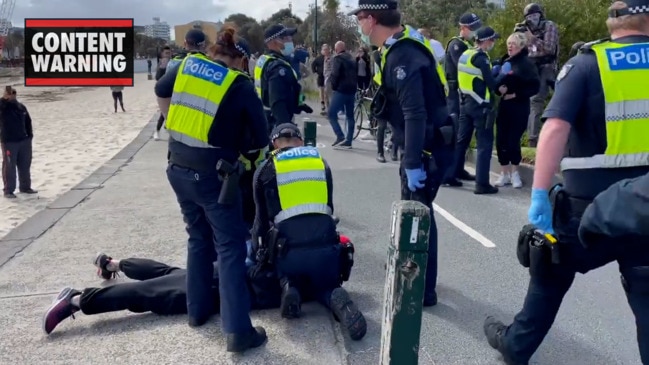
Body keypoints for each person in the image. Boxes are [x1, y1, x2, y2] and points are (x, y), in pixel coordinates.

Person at [484, 1, 649, 363]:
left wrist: (539, 194)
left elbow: (555, 128)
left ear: (612, 24)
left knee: (548, 276)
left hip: (587, 209)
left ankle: (516, 345)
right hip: (645, 210)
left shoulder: (589, 63)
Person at [154, 27, 269, 353]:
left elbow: (160, 91)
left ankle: (197, 312)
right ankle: (237, 332)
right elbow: (261, 139)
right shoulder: (240, 84)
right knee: (230, 247)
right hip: (214, 178)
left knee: (197, 237)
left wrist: (176, 130)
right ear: (242, 59)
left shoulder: (186, 65)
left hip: (177, 167)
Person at [350, 0, 454, 306]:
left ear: (372, 19)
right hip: (422, 143)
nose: (358, 23)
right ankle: (415, 270)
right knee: (419, 213)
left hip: (425, 148)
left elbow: (415, 113)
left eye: (359, 17)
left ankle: (422, 287)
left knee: (418, 216)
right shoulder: (398, 44)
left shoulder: (403, 55)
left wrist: (411, 161)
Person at [250, 123, 367, 340]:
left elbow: (260, 225)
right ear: (300, 141)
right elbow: (328, 208)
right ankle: (334, 295)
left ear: (274, 143)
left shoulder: (266, 169)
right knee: (325, 283)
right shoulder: (321, 164)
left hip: (287, 254)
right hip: (326, 250)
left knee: (278, 262)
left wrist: (257, 256)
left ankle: (289, 285)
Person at [42, 251, 282, 335]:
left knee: (170, 273)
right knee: (151, 292)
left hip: (236, 273)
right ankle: (76, 300)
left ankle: (112, 263)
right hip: (235, 284)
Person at [451, 26, 503, 195]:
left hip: (466, 103)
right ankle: (482, 184)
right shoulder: (481, 58)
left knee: (461, 141)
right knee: (484, 145)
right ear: (487, 40)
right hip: (481, 106)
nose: (493, 43)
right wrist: (502, 73)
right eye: (492, 40)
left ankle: (452, 174)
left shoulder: (466, 54)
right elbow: (492, 84)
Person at [493, 33, 540, 189]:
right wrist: (498, 89)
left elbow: (534, 86)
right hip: (504, 106)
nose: (510, 46)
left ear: (521, 46)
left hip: (519, 106)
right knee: (501, 139)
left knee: (513, 140)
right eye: (508, 43)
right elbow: (496, 81)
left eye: (513, 43)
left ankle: (515, 173)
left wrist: (516, 94)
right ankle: (504, 173)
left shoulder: (526, 64)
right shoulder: (504, 61)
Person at [442, 13, 482, 186]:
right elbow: (465, 66)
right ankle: (448, 174)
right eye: (472, 28)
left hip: (464, 94)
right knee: (455, 134)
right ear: (463, 28)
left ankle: (458, 169)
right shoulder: (456, 45)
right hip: (454, 94)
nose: (475, 32)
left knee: (463, 136)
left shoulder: (466, 44)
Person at [254, 24, 312, 136]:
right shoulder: (278, 68)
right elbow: (277, 101)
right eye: (287, 38)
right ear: (275, 42)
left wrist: (297, 105)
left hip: (265, 118)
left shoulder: (265, 60)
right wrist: (285, 129)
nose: (291, 41)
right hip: (275, 123)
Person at [519, 3, 559, 148]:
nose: (532, 20)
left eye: (535, 16)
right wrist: (520, 36)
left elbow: (549, 48)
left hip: (547, 67)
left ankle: (557, 136)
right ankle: (532, 139)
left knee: (555, 99)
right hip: (532, 68)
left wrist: (532, 38)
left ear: (540, 15)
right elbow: (521, 50)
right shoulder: (525, 29)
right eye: (529, 17)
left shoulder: (549, 26)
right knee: (534, 102)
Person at [1, 87, 36, 199]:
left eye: (14, 93)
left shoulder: (21, 107)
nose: (12, 95)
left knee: (25, 165)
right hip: (9, 142)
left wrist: (29, 135)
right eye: (10, 93)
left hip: (24, 141)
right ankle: (8, 191)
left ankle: (25, 187)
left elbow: (28, 121)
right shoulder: (3, 107)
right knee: (9, 166)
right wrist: (3, 99)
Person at [328, 41, 358, 148]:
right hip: (352, 90)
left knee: (331, 114)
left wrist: (333, 87)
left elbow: (335, 74)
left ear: (336, 49)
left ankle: (339, 135)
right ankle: (349, 140)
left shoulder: (338, 59)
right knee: (350, 116)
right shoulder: (352, 59)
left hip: (341, 90)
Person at [154, 46, 172, 141]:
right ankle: (157, 131)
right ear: (162, 54)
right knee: (163, 112)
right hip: (164, 92)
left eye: (169, 53)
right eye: (166, 53)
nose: (168, 55)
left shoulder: (173, 62)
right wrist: (162, 68)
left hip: (173, 90)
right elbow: (157, 78)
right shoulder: (161, 64)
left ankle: (168, 128)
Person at [311, 44, 331, 114]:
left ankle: (328, 105)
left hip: (328, 78)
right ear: (322, 50)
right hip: (321, 76)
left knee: (326, 92)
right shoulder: (319, 58)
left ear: (329, 50)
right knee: (321, 90)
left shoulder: (330, 58)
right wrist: (315, 72)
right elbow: (313, 65)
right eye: (324, 50)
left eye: (326, 49)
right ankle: (322, 104)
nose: (325, 51)